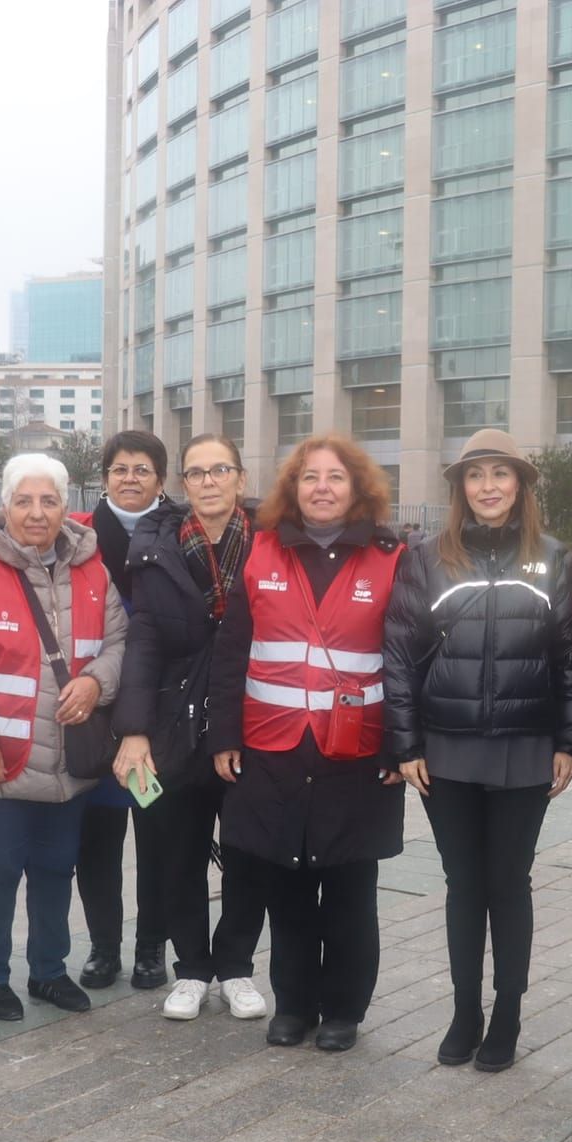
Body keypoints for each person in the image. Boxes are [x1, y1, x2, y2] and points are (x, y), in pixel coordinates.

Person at [383, 430, 572, 1073]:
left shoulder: (553, 559)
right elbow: (399, 654)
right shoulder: (426, 558)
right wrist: (406, 741)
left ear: (521, 486)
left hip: (527, 749)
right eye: (476, 476)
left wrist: (569, 742)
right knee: (463, 885)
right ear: (460, 489)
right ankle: (465, 1010)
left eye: (502, 474)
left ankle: (508, 1014)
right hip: (447, 748)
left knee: (510, 883)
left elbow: (568, 659)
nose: (489, 486)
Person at [208, 434, 405, 1054]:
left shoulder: (391, 556)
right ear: (293, 488)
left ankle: (344, 1010)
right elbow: (232, 651)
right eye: (310, 477)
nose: (322, 487)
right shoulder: (261, 553)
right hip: (273, 749)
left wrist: (403, 746)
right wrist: (223, 734)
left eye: (336, 477)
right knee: (286, 886)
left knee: (351, 889)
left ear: (358, 489)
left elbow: (406, 660)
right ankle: (293, 1004)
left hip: (360, 753)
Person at [0, 453, 127, 1022]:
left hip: (68, 767)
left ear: (66, 506)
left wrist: (94, 682)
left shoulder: (94, 572)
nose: (37, 513)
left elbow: (120, 646)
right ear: (4, 505)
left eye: (49, 501)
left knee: (56, 871)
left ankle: (48, 971)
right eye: (24, 500)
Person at [111, 434, 268, 1023]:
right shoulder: (158, 547)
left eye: (219, 469)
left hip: (251, 718)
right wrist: (134, 728)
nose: (207, 481)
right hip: (176, 720)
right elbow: (144, 639)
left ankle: (236, 966)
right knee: (177, 852)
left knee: (248, 852)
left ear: (240, 479)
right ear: (184, 485)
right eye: (196, 472)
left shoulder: (269, 545)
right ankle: (192, 969)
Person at [74, 430, 169, 991]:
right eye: (119, 469)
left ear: (161, 479)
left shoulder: (178, 532)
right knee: (99, 840)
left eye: (142, 469)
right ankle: (103, 946)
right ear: (104, 477)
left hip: (158, 714)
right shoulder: (79, 536)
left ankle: (152, 948)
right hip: (97, 709)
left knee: (156, 836)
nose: (129, 478)